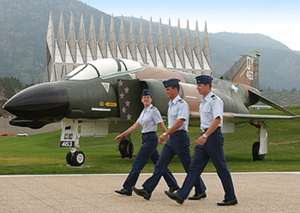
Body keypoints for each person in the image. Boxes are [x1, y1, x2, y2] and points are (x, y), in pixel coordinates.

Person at [164, 75, 237, 206]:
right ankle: (181, 195)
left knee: (221, 168)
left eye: (199, 85)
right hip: (204, 137)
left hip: (212, 137)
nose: (197, 87)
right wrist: (203, 135)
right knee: (194, 168)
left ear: (207, 86)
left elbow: (217, 119)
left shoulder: (216, 101)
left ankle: (231, 197)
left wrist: (206, 136)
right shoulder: (203, 101)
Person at [132, 79, 206, 200]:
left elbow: (180, 121)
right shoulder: (171, 104)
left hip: (180, 138)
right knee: (160, 165)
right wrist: (168, 135)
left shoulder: (182, 104)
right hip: (172, 139)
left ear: (175, 90)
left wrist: (165, 133)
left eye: (168, 89)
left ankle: (200, 190)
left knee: (189, 167)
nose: (166, 92)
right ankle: (147, 190)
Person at [114, 89, 179, 196]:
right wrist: (122, 135)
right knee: (159, 164)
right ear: (141, 100)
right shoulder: (144, 111)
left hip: (151, 139)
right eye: (144, 97)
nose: (146, 99)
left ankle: (127, 188)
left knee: (137, 164)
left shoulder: (154, 110)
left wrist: (166, 135)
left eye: (148, 97)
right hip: (146, 139)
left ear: (151, 99)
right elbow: (135, 126)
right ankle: (173, 184)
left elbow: (161, 124)